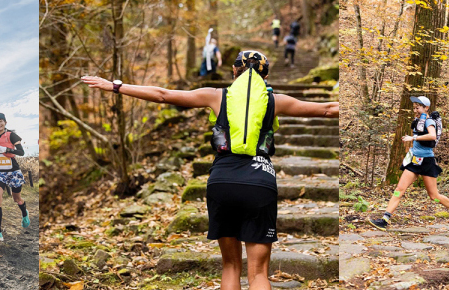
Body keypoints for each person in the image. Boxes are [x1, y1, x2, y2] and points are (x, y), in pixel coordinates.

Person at [78, 50, 340, 290]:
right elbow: (328, 110)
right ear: (266, 76)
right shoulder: (276, 101)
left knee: (230, 266)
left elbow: (163, 95)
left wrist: (115, 86)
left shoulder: (216, 95)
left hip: (222, 181)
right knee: (259, 273)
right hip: (260, 180)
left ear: (234, 72)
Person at [374, 96, 449, 227]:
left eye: (418, 107)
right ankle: (384, 220)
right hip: (415, 161)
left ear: (426, 108)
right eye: (414, 107)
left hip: (427, 162)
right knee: (399, 189)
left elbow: (432, 135)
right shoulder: (418, 121)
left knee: (434, 196)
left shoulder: (428, 121)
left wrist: (413, 138)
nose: (415, 110)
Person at [0, 113, 29, 240]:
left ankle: (24, 213)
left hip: (12, 171)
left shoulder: (12, 135)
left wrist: (7, 149)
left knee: (17, 199)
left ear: (5, 122)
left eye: (0, 121)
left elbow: (21, 152)